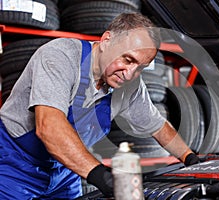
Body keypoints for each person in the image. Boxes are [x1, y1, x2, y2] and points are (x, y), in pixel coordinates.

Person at [0, 13, 199, 199]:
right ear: (106, 40)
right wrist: (102, 176)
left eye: (140, 67)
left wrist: (190, 158)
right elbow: (49, 127)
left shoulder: (130, 86)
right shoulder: (60, 56)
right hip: (14, 165)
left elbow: (157, 126)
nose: (129, 74)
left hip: (65, 170)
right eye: (127, 59)